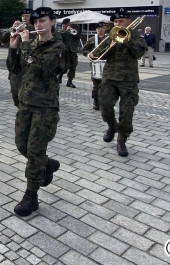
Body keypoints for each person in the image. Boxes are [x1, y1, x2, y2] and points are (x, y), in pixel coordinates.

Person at [6, 7, 63, 216]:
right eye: (36, 22)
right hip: (25, 103)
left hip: (44, 107)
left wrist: (26, 44)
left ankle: (31, 196)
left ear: (52, 22)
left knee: (35, 151)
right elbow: (15, 69)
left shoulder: (56, 45)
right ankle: (47, 165)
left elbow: (42, 66)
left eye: (43, 21)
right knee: (22, 145)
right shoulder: (31, 43)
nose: (38, 25)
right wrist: (14, 48)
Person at [92, 8, 147, 157]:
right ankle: (111, 126)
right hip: (109, 77)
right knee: (104, 105)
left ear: (128, 22)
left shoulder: (136, 36)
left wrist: (127, 40)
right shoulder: (111, 35)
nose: (117, 23)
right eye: (115, 21)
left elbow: (139, 53)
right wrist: (104, 49)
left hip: (128, 80)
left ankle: (122, 140)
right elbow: (97, 54)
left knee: (126, 112)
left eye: (120, 21)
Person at [2, 9, 34, 107]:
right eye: (23, 16)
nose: (24, 18)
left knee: (26, 95)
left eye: (27, 16)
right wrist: (11, 28)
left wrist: (24, 30)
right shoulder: (16, 28)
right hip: (14, 65)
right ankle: (19, 108)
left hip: (27, 66)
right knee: (15, 92)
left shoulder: (34, 29)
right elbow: (3, 39)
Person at [82, 22, 107, 110]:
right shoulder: (92, 39)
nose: (100, 29)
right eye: (98, 28)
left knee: (107, 84)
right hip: (95, 63)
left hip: (107, 64)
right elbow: (84, 50)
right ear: (96, 29)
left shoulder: (109, 39)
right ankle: (96, 101)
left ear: (105, 29)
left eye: (102, 28)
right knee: (96, 84)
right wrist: (89, 54)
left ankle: (105, 102)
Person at [59, 18, 81, 87]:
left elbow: (78, 37)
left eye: (69, 23)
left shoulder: (73, 31)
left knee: (73, 66)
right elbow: (60, 38)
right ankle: (60, 76)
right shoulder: (61, 31)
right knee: (65, 67)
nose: (69, 25)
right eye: (67, 24)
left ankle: (70, 81)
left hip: (73, 51)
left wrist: (74, 33)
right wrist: (66, 31)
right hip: (65, 51)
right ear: (64, 25)